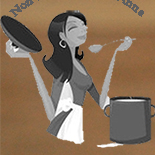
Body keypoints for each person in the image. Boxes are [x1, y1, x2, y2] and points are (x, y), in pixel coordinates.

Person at [5, 11, 131, 144]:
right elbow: (52, 112)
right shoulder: (62, 69)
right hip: (65, 123)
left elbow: (101, 101)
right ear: (62, 36)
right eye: (74, 27)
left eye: (83, 25)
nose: (83, 29)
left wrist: (115, 53)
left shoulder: (79, 65)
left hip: (75, 121)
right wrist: (27, 58)